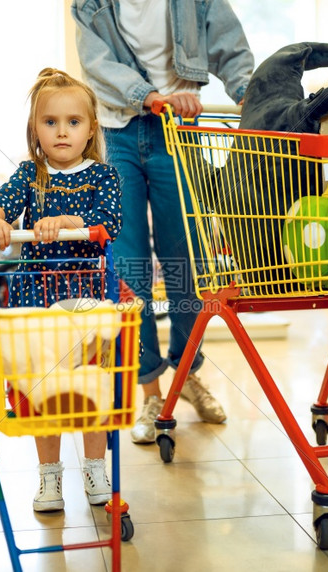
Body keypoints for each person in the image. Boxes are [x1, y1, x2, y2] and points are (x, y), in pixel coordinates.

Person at [71, 0, 254, 443]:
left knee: (187, 255)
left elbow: (229, 44)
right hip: (118, 131)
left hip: (180, 129)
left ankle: (187, 374)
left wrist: (250, 93)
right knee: (130, 264)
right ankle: (150, 392)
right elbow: (98, 65)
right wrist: (149, 97)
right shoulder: (89, 4)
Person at [0, 68, 122, 512]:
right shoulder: (30, 174)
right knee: (44, 388)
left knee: (91, 384)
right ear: (35, 129)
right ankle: (49, 477)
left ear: (91, 129)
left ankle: (95, 466)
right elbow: (0, 200)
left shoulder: (104, 175)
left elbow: (109, 220)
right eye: (50, 122)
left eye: (73, 122)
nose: (62, 131)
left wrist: (69, 222)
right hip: (36, 297)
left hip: (89, 296)